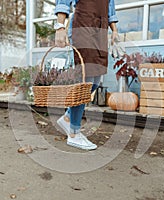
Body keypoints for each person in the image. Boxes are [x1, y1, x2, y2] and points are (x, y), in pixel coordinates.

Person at [54, 0, 119, 150]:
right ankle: (74, 134)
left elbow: (110, 8)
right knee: (85, 79)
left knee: (96, 78)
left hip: (101, 29)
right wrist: (60, 26)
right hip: (83, 26)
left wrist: (114, 30)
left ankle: (68, 117)